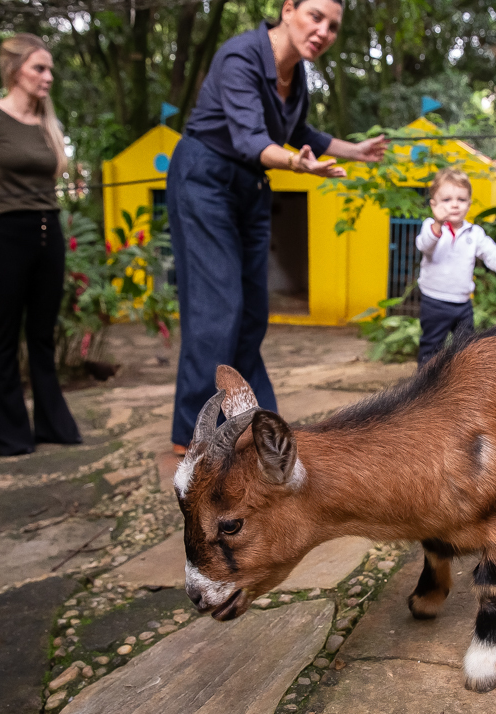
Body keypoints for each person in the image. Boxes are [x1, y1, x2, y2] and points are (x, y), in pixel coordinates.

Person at [167, 0, 387, 454]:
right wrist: (298, 165)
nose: (324, 31)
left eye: (333, 25)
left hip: (249, 185)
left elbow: (299, 130)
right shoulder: (240, 56)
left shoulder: (297, 75)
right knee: (217, 307)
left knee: (251, 311)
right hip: (205, 178)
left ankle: (251, 419)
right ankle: (193, 432)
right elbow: (252, 139)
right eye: (316, 16)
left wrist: (356, 150)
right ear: (288, 10)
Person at [0, 33, 82, 457]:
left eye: (49, 69)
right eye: (39, 68)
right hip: (3, 236)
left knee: (42, 336)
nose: (48, 76)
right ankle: (11, 435)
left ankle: (53, 425)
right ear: (14, 70)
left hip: (49, 234)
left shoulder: (47, 124)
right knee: (5, 336)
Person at [414, 167, 496, 366]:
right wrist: (437, 224)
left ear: (469, 204)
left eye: (461, 199)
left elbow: (489, 250)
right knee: (431, 349)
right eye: (447, 200)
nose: (454, 205)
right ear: (434, 204)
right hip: (435, 302)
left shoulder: (473, 232)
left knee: (466, 349)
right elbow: (424, 245)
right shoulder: (431, 227)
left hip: (463, 304)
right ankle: (425, 391)